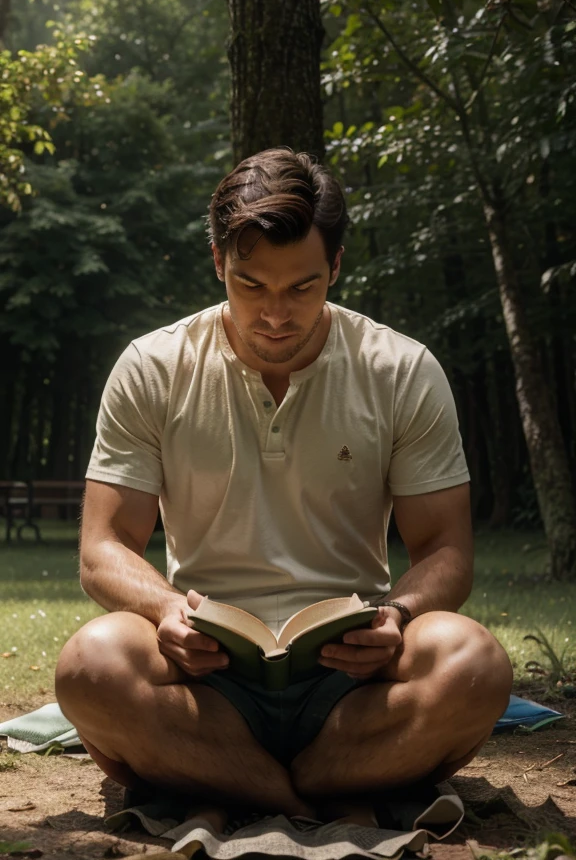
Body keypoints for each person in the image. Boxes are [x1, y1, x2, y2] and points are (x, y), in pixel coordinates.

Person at [55, 148, 512, 823]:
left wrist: (400, 617)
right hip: (204, 674)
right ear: (218, 263)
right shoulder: (152, 367)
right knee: (90, 666)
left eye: (301, 287)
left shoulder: (401, 369)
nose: (275, 314)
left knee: (475, 663)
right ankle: (312, 795)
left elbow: (446, 549)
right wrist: (165, 610)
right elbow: (104, 549)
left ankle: (231, 783)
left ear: (336, 266)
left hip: (355, 674)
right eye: (250, 285)